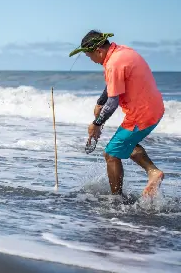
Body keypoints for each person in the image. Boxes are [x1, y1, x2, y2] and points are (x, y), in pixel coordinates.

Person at [69, 30, 165, 198]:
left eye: (90, 56)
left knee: (111, 153)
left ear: (99, 51)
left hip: (141, 114)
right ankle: (152, 172)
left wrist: (96, 124)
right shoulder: (122, 52)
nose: (92, 61)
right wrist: (100, 102)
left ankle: (117, 200)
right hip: (154, 108)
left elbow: (112, 103)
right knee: (126, 143)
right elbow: (114, 85)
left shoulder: (113, 63)